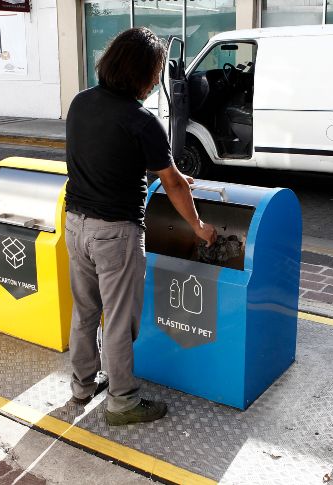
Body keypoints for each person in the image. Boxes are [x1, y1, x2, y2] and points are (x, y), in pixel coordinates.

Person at [63, 27, 217, 426]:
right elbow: (172, 183)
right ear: (144, 74)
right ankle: (123, 402)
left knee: (85, 311)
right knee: (118, 320)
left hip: (75, 224)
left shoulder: (81, 103)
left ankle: (81, 386)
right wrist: (199, 226)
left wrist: (174, 176)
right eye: (155, 72)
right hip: (115, 233)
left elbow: (110, 155)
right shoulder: (140, 119)